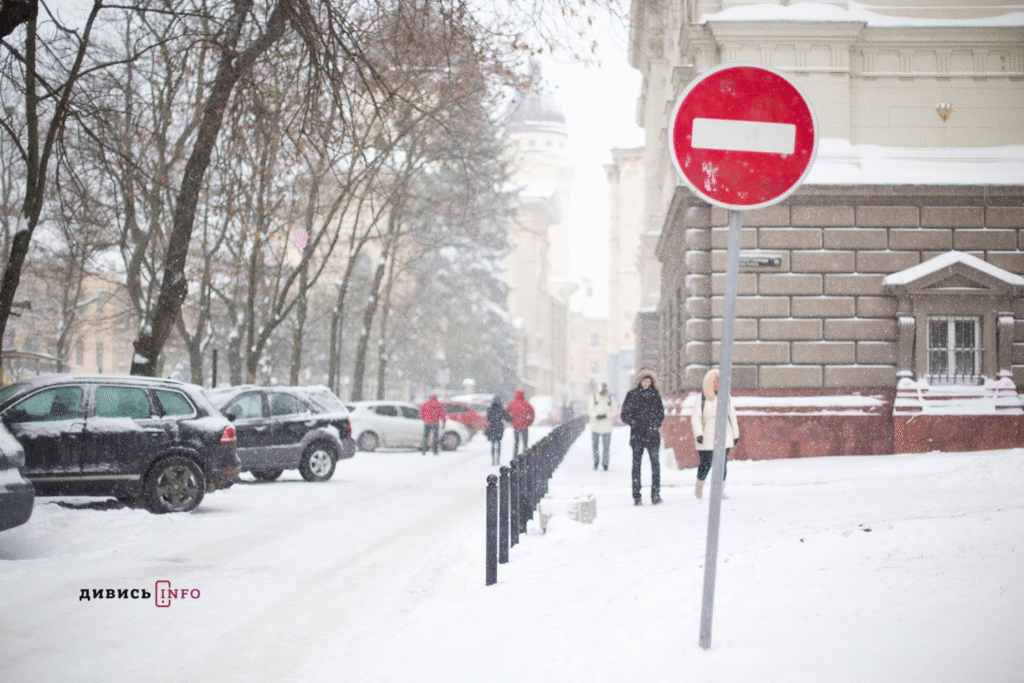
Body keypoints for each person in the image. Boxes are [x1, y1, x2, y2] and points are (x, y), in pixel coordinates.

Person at [690, 368, 740, 499]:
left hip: (724, 436)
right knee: (706, 464)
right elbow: (696, 417)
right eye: (714, 381)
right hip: (706, 437)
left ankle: (719, 491)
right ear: (709, 382)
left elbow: (732, 416)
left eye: (719, 381)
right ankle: (699, 486)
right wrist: (699, 434)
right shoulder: (701, 398)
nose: (717, 384)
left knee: (722, 464)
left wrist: (735, 434)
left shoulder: (726, 397)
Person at [620, 369, 664, 505]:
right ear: (640, 382)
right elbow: (624, 415)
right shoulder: (632, 395)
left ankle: (655, 494)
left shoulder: (655, 396)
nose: (646, 383)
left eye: (649, 381)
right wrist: (635, 424)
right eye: (644, 381)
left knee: (655, 465)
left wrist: (655, 425)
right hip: (637, 436)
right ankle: (636, 495)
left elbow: (661, 414)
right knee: (636, 466)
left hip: (652, 436)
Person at [587, 383, 615, 471]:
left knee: (606, 447)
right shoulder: (594, 399)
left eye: (605, 391)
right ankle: (596, 462)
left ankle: (605, 463)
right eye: (602, 391)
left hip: (607, 427)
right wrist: (596, 416)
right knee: (595, 446)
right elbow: (590, 410)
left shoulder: (610, 399)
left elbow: (614, 411)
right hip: (595, 426)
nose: (603, 392)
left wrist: (606, 415)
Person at [505, 389, 535, 458]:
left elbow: (507, 413)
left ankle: (515, 457)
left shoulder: (511, 403)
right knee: (525, 443)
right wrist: (529, 422)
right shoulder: (526, 404)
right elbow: (532, 414)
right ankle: (525, 457)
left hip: (516, 426)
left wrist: (511, 421)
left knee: (516, 443)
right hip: (524, 426)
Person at [485, 396, 510, 466]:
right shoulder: (501, 409)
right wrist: (512, 418)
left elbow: (488, 418)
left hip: (492, 427)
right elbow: (506, 417)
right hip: (499, 427)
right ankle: (498, 459)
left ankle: (493, 459)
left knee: (492, 443)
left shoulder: (490, 408)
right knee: (498, 443)